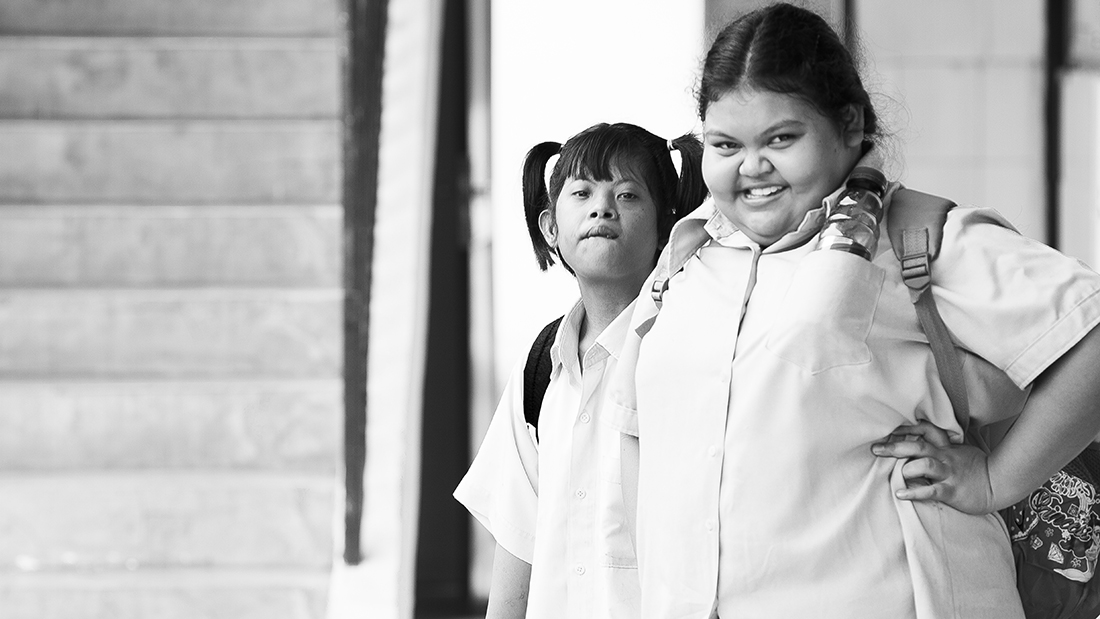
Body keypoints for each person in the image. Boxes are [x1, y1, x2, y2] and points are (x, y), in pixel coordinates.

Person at [604, 3, 1100, 618]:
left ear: (849, 126)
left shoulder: (917, 239)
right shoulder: (689, 256)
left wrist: (995, 480)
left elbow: (1091, 339)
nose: (751, 167)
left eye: (781, 139)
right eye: (725, 143)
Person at [454, 122, 707, 618]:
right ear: (551, 228)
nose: (602, 207)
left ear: (667, 226)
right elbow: (517, 546)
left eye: (629, 195)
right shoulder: (538, 369)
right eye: (582, 193)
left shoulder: (692, 350)